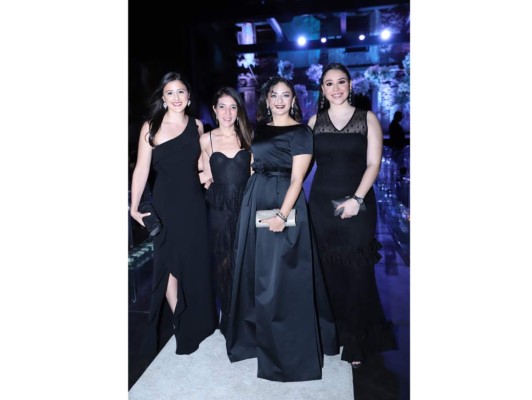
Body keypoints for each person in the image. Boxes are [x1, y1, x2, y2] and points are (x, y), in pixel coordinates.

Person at [225, 76, 339, 382]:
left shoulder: (301, 132)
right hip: (256, 197)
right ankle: (254, 339)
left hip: (283, 201)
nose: (278, 100)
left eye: (285, 95)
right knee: (255, 270)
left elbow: (298, 178)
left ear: (293, 100)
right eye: (273, 95)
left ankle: (286, 353)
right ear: (266, 99)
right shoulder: (259, 128)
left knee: (282, 276)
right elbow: (251, 162)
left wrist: (282, 214)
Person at [307, 62, 397, 369]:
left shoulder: (367, 118)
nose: (336, 88)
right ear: (322, 89)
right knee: (328, 272)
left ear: (350, 85)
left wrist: (357, 199)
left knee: (358, 272)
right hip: (321, 207)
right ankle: (334, 334)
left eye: (341, 82)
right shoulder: (314, 122)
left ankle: (358, 340)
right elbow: (299, 163)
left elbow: (374, 164)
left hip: (359, 205)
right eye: (329, 83)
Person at [130, 72, 217, 356]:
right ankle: (180, 318)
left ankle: (198, 319)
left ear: (189, 97)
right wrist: (134, 206)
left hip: (194, 203)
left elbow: (202, 164)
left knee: (194, 261)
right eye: (170, 92)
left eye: (181, 92)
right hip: (165, 205)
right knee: (168, 264)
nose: (176, 97)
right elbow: (141, 169)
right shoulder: (151, 127)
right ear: (163, 98)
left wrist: (212, 175)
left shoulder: (197, 125)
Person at [198, 86, 253, 336]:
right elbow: (203, 172)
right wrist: (201, 180)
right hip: (218, 209)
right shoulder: (206, 140)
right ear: (215, 110)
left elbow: (254, 173)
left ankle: (246, 315)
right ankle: (228, 315)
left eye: (233, 107)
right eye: (222, 107)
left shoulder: (248, 136)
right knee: (223, 262)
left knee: (245, 260)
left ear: (238, 110)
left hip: (244, 206)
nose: (228, 112)